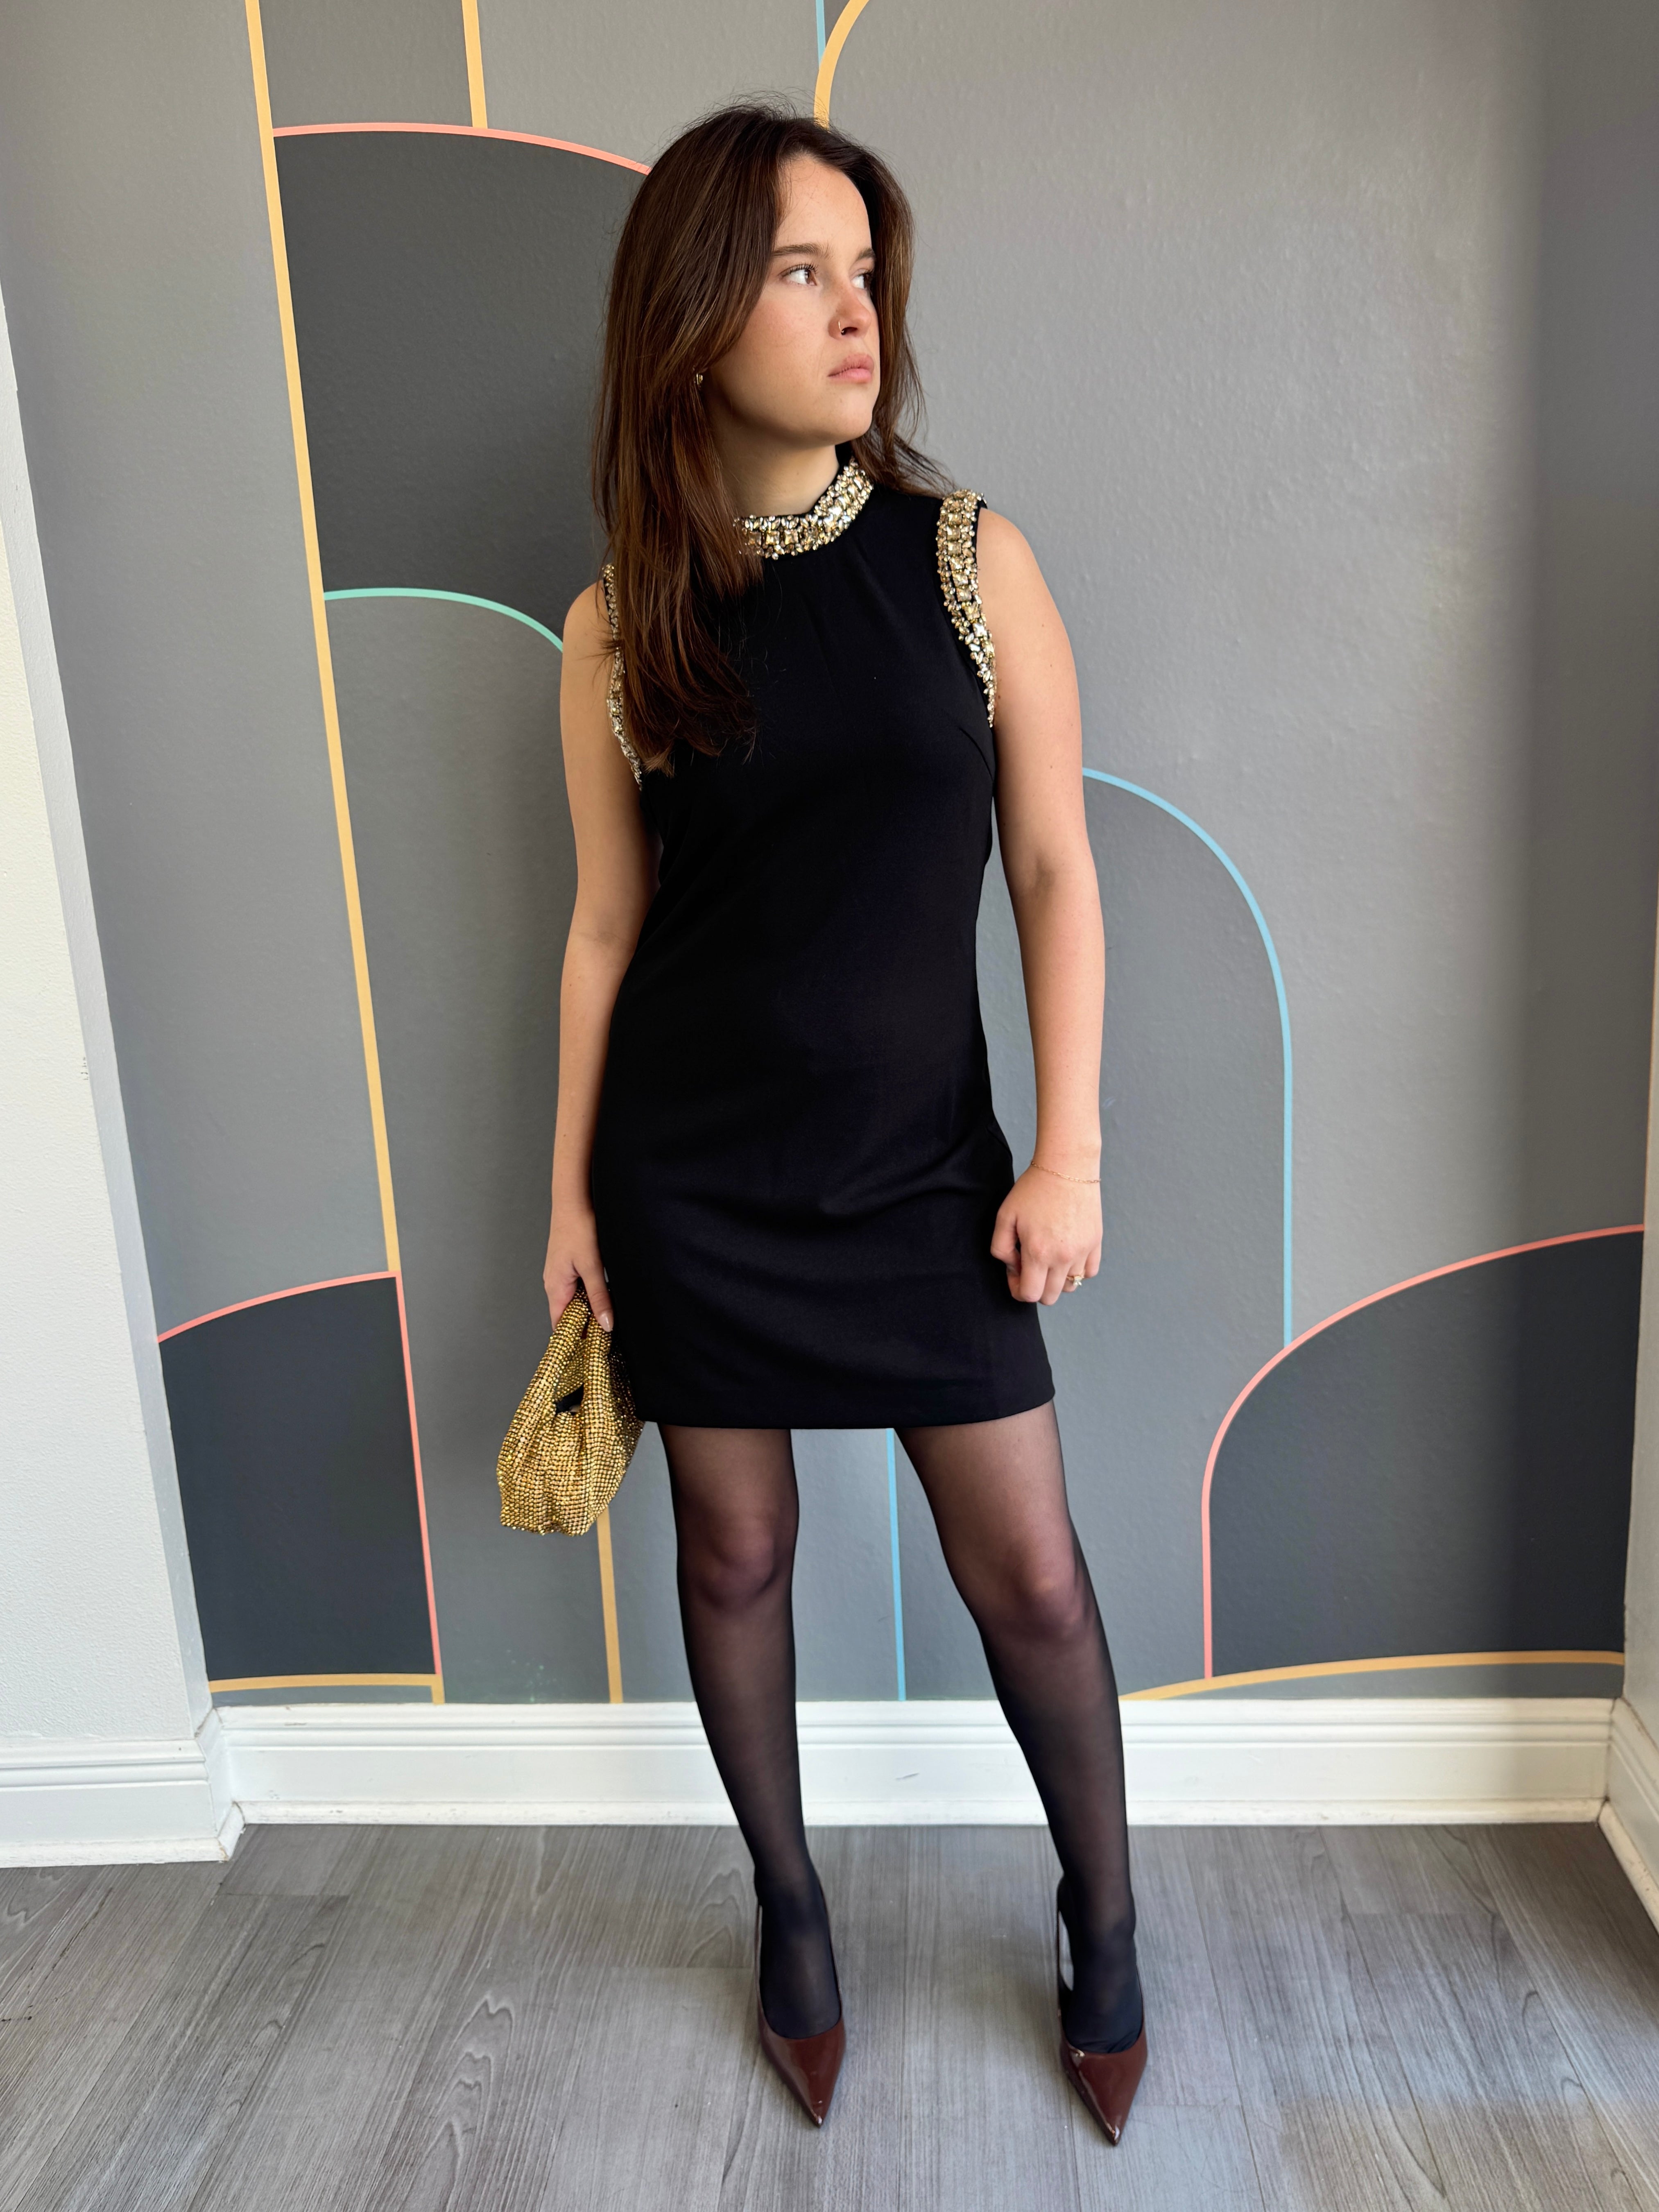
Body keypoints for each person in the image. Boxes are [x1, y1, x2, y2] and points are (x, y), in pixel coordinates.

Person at [545, 100, 1146, 2142]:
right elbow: (604, 931)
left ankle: (1102, 1920)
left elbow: (1052, 868)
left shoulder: (967, 560)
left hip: (924, 1184)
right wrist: (568, 1197)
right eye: (798, 271)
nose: (850, 310)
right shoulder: (617, 622)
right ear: (692, 314)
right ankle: (787, 1912)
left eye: (862, 270)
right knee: (733, 1553)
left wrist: (1066, 1152)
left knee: (1032, 1580)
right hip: (693, 1182)